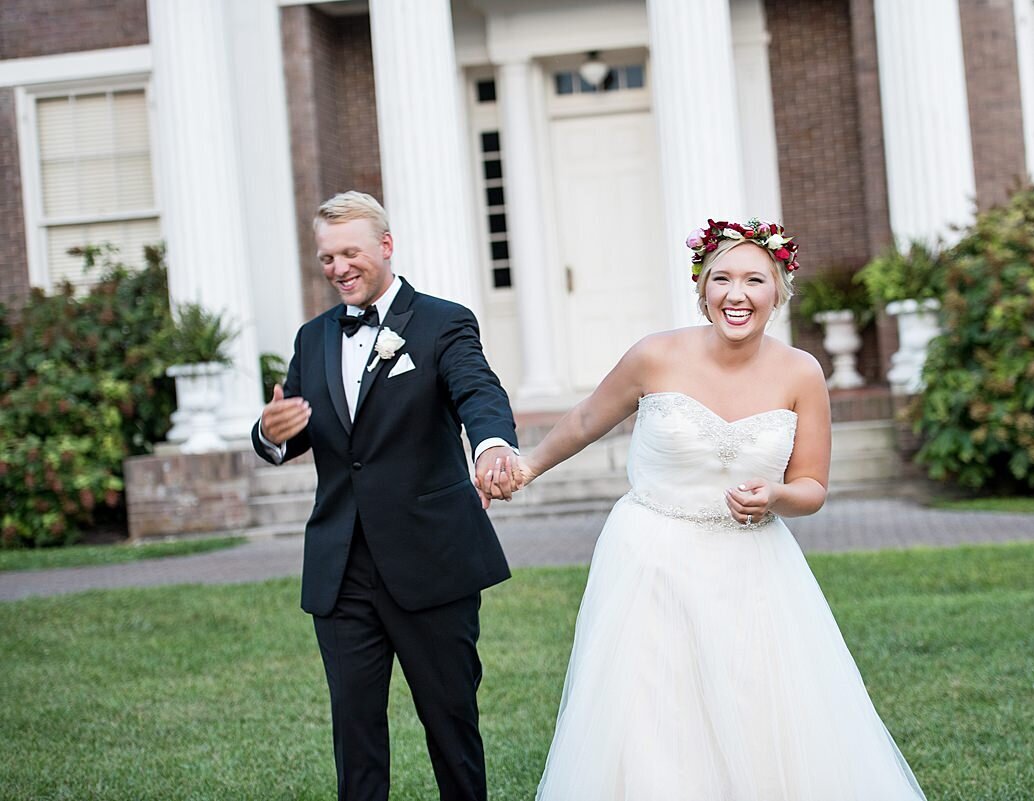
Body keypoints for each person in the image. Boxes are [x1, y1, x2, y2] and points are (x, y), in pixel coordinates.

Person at [518, 218, 927, 799]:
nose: (737, 295)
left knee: (757, 708)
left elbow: (811, 485)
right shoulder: (654, 356)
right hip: (649, 560)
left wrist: (776, 497)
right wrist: (529, 466)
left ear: (778, 291)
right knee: (652, 715)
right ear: (702, 289)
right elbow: (586, 420)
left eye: (754, 281)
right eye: (722, 280)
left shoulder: (802, 372)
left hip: (752, 568)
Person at [251, 191, 519, 801]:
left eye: (350, 253)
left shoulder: (442, 321)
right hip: (341, 568)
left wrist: (493, 445)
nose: (338, 268)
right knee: (355, 733)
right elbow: (291, 424)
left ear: (386, 247)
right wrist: (269, 433)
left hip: (430, 558)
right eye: (326, 258)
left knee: (451, 726)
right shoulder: (312, 337)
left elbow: (477, 390)